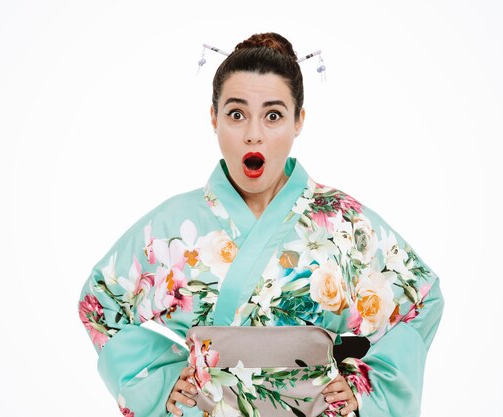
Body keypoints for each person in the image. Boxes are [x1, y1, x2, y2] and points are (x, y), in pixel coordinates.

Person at [77, 32, 444, 417]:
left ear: (298, 121)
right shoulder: (174, 223)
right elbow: (99, 303)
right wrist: (161, 382)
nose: (254, 133)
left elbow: (423, 299)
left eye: (273, 115)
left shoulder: (341, 219)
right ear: (213, 118)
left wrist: (365, 385)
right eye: (237, 114)